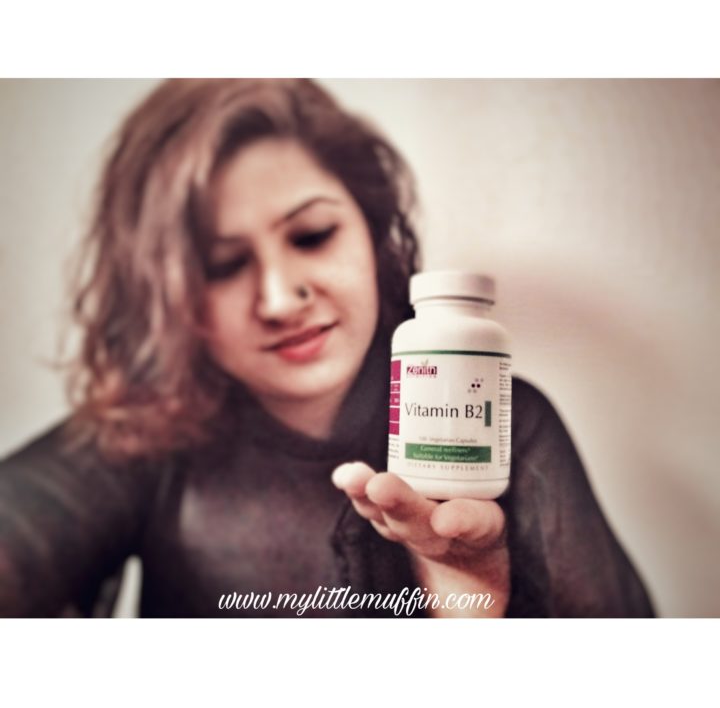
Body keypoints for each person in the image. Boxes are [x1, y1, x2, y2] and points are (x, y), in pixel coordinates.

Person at [0, 79, 654, 617]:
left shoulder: (512, 426)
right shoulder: (147, 436)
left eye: (312, 235)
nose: (280, 299)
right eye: (224, 265)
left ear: (373, 231)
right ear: (170, 296)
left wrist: (477, 613)